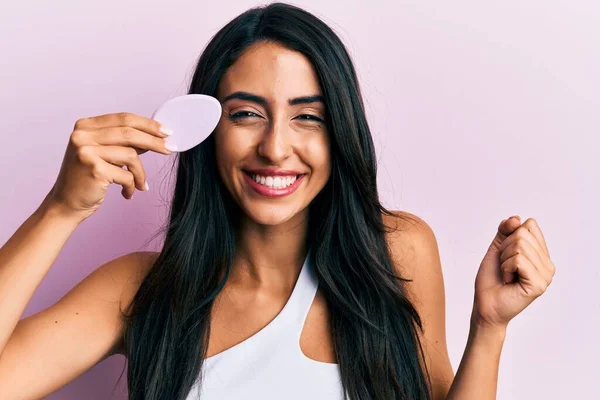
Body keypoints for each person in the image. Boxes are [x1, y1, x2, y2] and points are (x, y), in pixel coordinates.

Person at [0, 3, 555, 400]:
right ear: (208, 131)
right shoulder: (141, 291)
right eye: (246, 114)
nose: (275, 147)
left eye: (307, 117)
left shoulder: (400, 252)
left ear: (340, 135)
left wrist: (490, 326)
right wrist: (60, 209)